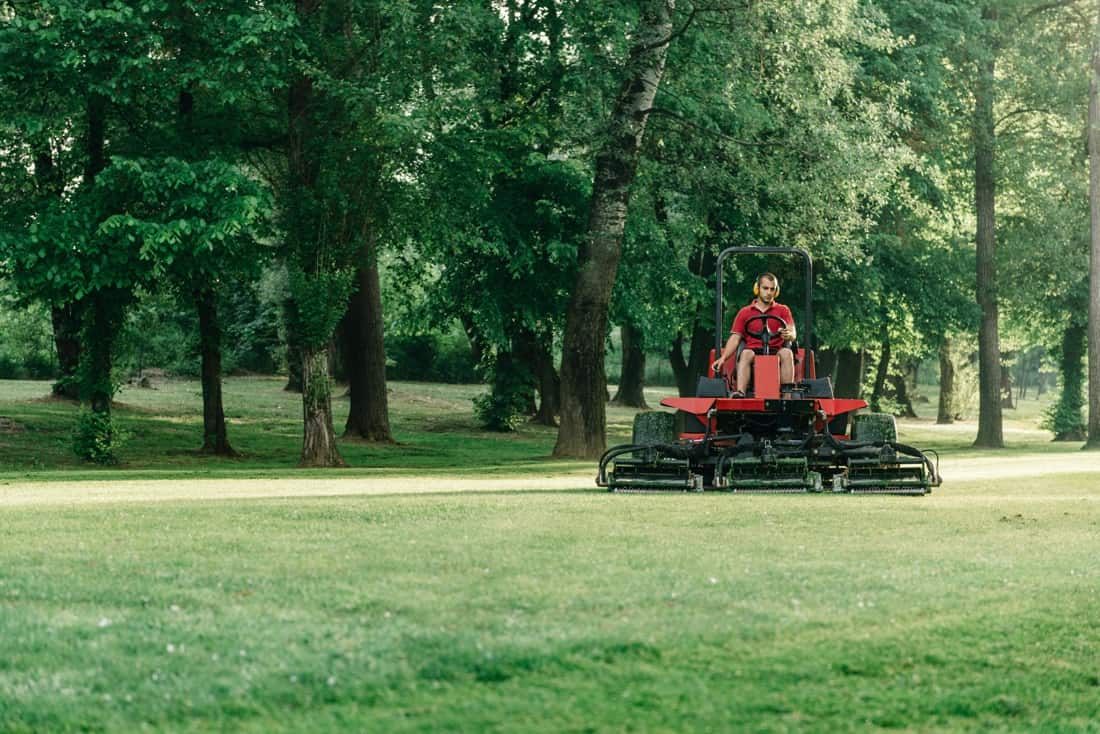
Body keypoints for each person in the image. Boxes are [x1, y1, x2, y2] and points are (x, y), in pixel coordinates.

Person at [711, 272, 796, 397]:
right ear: (757, 289)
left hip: (775, 351)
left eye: (772, 289)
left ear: (776, 291)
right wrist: (723, 358)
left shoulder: (783, 310)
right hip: (753, 351)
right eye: (765, 288)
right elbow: (735, 338)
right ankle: (740, 392)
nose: (769, 292)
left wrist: (789, 334)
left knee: (787, 352)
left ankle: (787, 396)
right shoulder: (745, 312)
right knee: (745, 353)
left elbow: (792, 330)